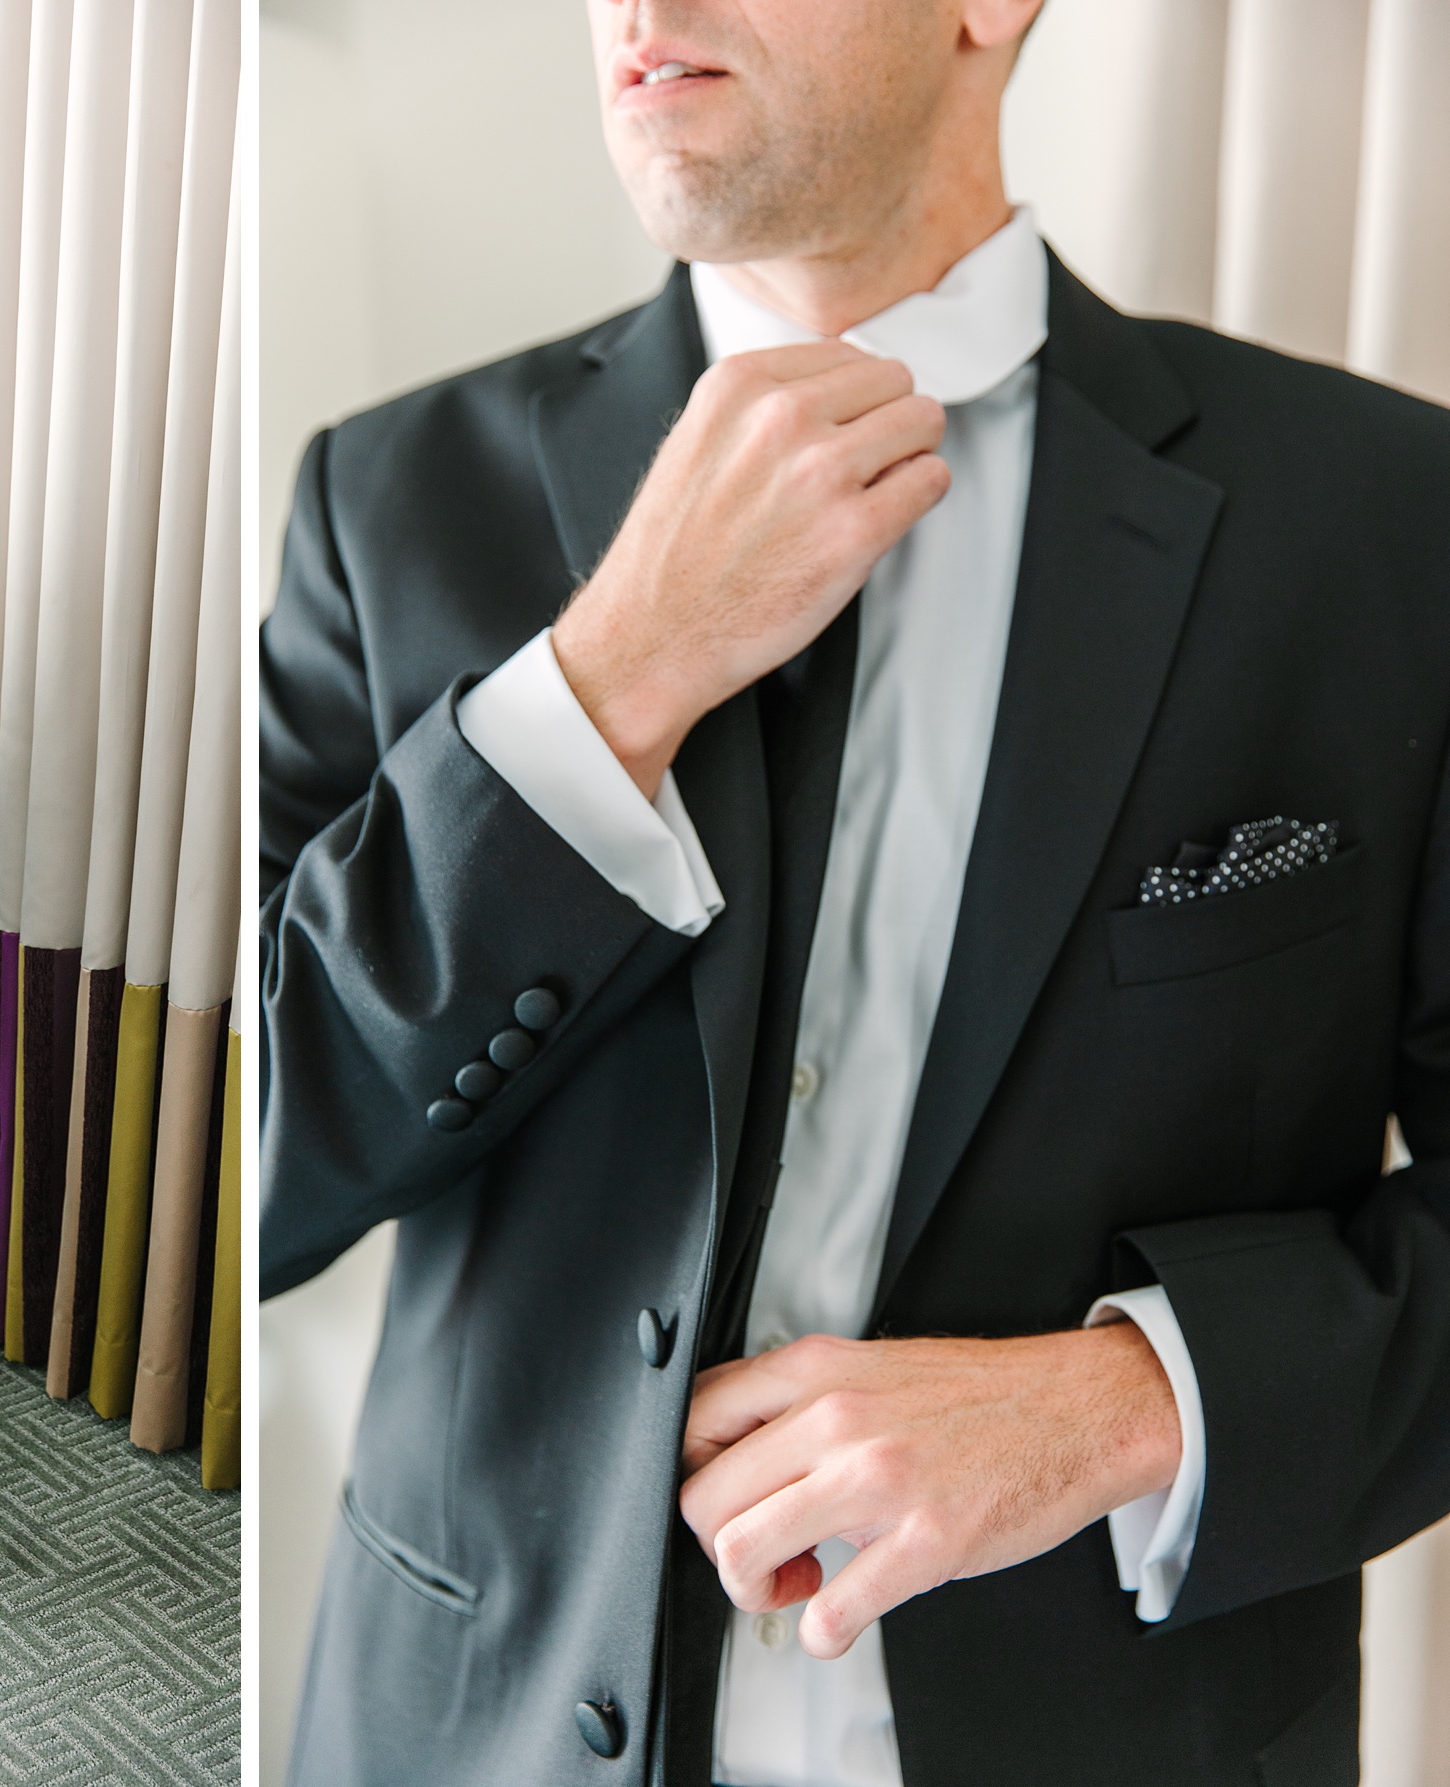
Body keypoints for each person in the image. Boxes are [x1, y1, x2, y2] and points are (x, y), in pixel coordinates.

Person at [260, 1, 1450, 1782]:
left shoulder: (1383, 526)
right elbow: (263, 1158)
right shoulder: (388, 499)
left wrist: (1136, 1402)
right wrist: (603, 689)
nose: (640, 13)